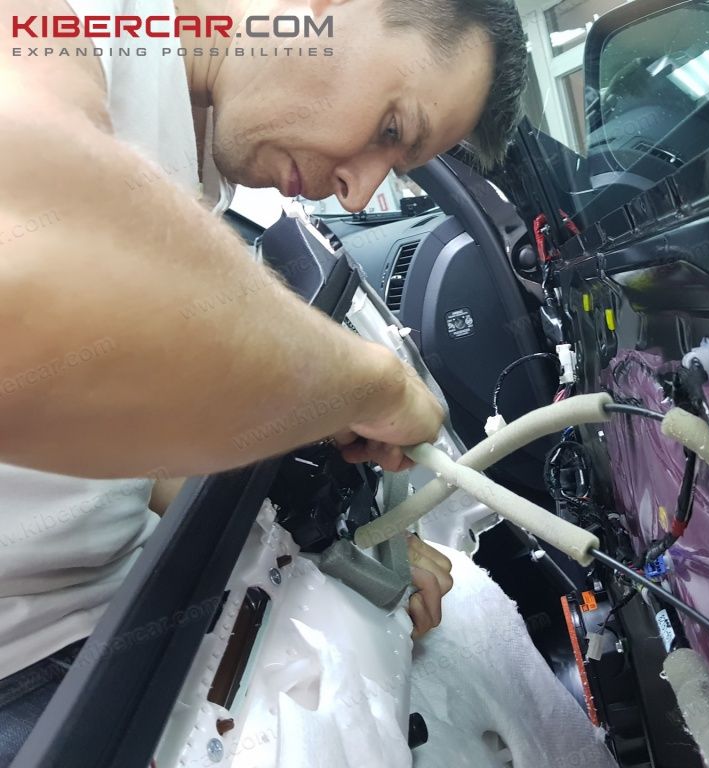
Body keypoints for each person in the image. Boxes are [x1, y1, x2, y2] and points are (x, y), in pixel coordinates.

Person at [0, 0, 528, 761]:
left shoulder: (191, 161)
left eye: (395, 167)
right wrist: (366, 385)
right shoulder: (71, 22)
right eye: (390, 129)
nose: (357, 194)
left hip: (112, 619)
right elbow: (28, 289)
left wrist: (330, 547)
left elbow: (122, 463)